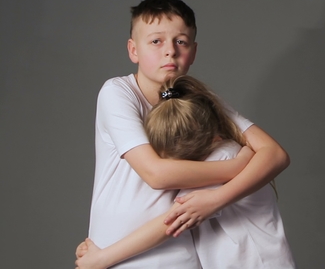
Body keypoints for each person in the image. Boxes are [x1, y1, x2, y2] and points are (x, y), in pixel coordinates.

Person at [77, 0, 290, 268]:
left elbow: (275, 155)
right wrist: (238, 166)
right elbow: (156, 173)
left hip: (171, 251)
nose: (170, 51)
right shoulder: (118, 93)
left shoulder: (200, 102)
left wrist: (217, 198)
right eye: (156, 41)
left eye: (181, 41)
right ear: (133, 50)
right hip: (115, 251)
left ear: (194, 51)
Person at [76, 75, 295, 269]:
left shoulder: (222, 155)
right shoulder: (228, 152)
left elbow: (168, 223)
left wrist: (103, 258)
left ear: (212, 139)